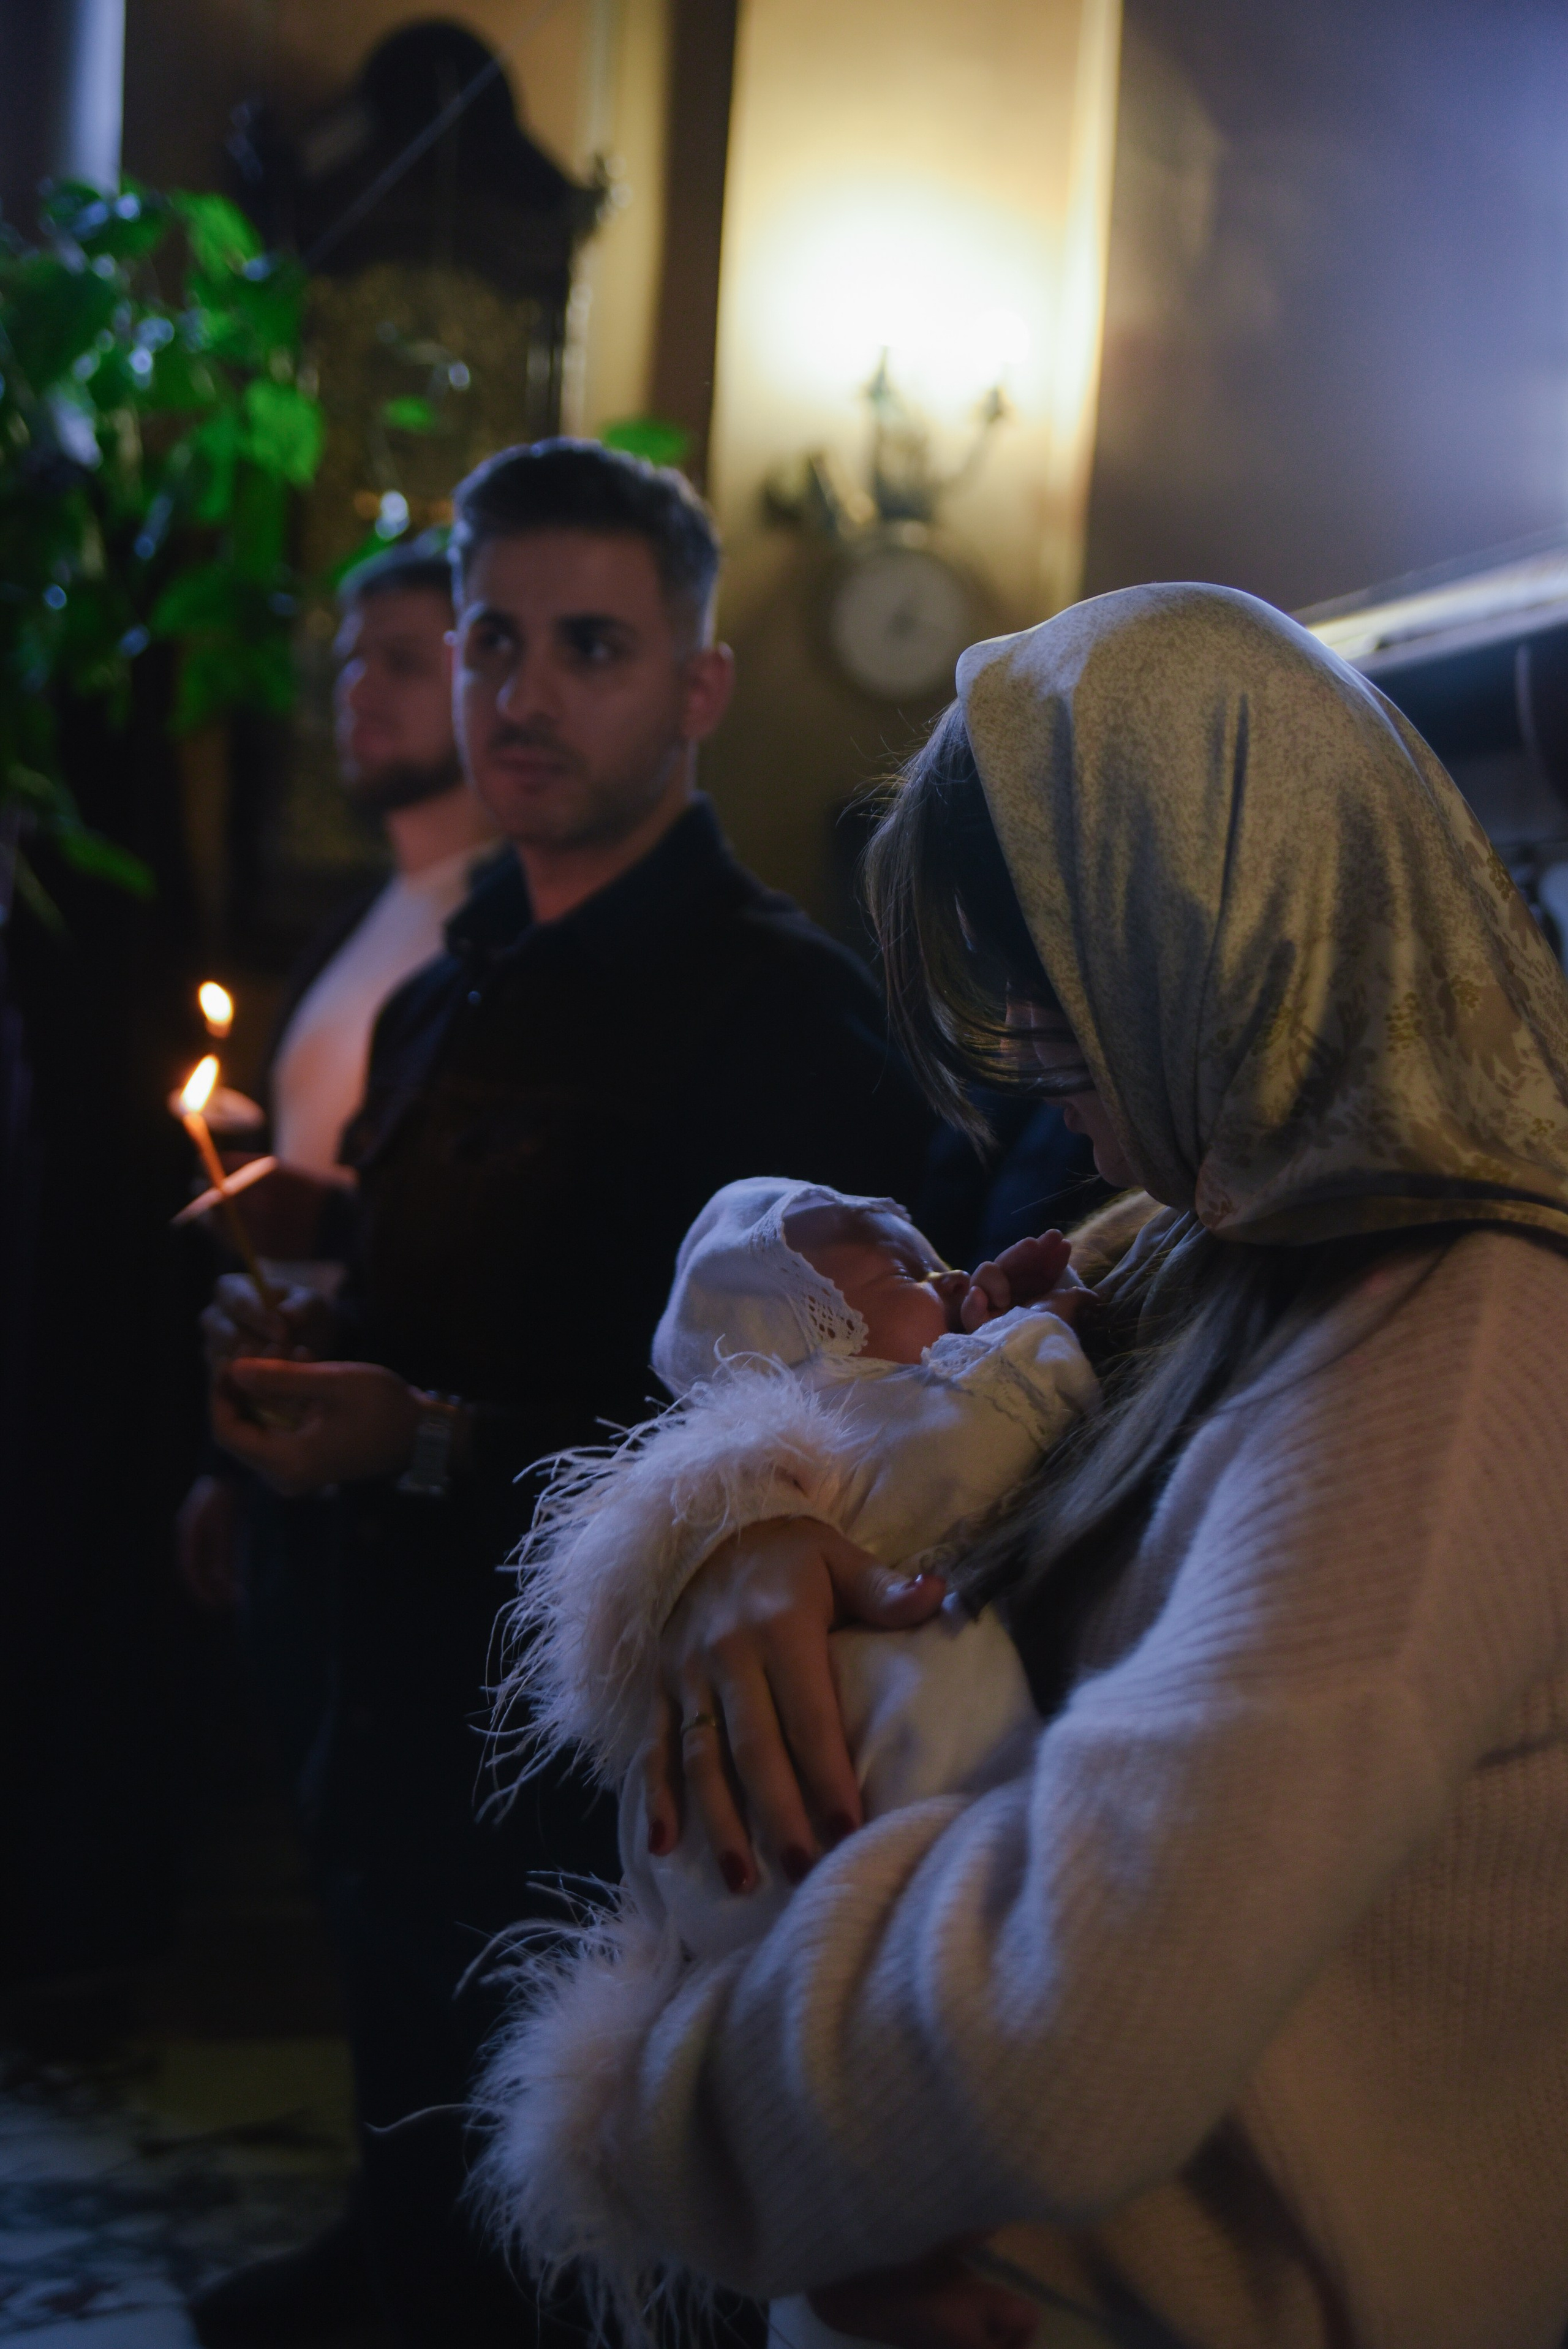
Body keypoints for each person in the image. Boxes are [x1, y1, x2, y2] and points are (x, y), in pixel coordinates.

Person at [472, 583, 1568, 2349]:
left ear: (1220, 927)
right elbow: (857, 1343)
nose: (1042, 1064)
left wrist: (664, 2121)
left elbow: (1081, 2021)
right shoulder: (1217, 1237)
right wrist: (757, 1517)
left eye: (1058, 984)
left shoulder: (1464, 1329)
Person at [200, 440, 933, 2347]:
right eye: (491, 642)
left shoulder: (780, 1014)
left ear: (698, 685)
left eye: (588, 646)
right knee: (423, 2199)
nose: (520, 695)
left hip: (596, 1792)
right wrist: (326, 1267)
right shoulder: (461, 979)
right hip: (390, 1717)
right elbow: (473, 1285)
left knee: (582, 2274)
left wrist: (424, 1438)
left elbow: (823, 1440)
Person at [477, 1173, 1098, 2343]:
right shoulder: (837, 1421)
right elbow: (974, 1442)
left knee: (831, 2022)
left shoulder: (804, 1448)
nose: (947, 1281)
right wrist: (1046, 1332)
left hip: (792, 1800)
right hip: (861, 1763)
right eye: (900, 1279)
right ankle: (874, 2224)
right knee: (883, 2011)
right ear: (804, 1331)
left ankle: (861, 2232)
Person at [183, 533, 499, 2349]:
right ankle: (379, 2225)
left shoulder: (477, 929)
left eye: (404, 654)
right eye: (351, 658)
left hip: (411, 1467)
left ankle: (415, 2260)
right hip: (308, 1441)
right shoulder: (381, 914)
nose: (361, 689)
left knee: (415, 1918)